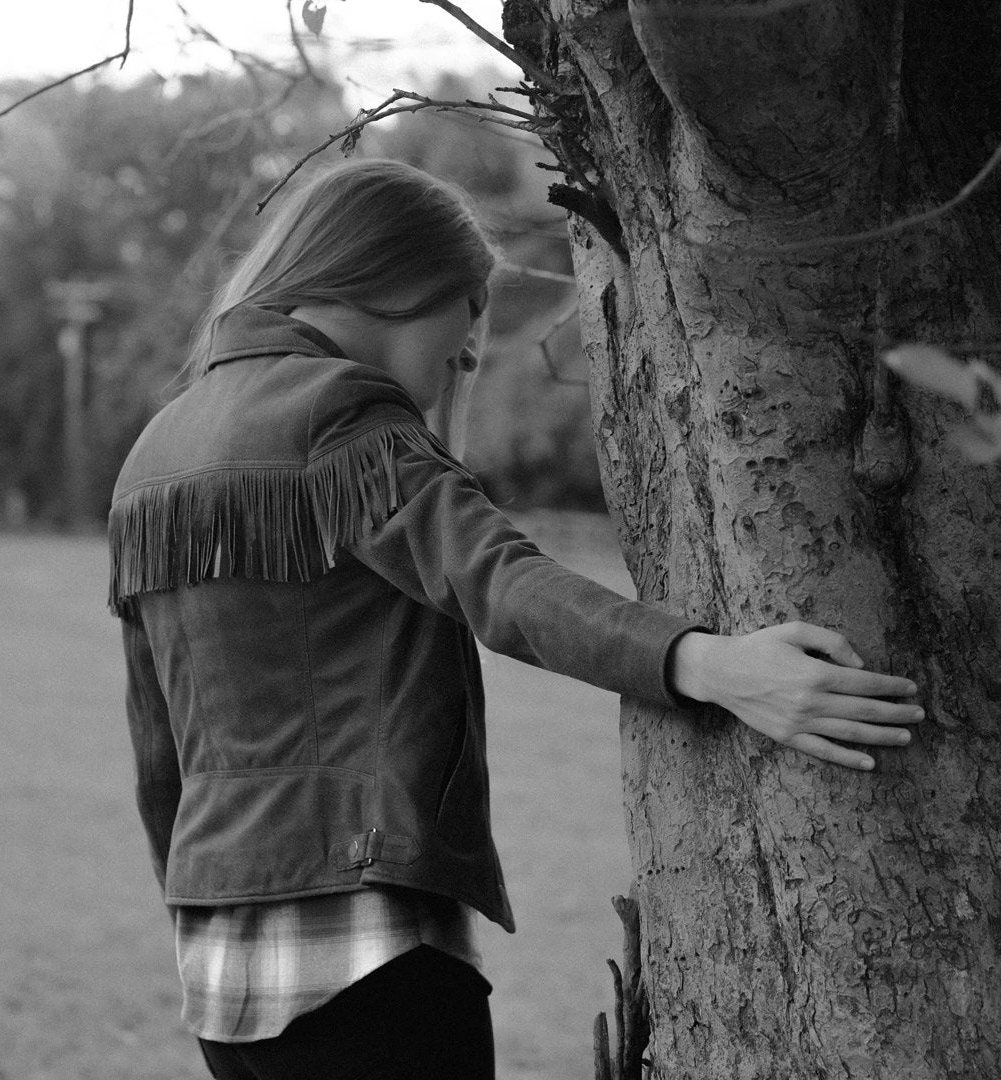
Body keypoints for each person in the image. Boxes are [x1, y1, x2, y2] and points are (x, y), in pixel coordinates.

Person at [107, 159, 922, 1080]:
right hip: (368, 954)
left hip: (222, 974)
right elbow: (498, 578)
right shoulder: (337, 411)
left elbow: (156, 742)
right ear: (397, 282)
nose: (465, 355)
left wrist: (197, 899)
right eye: (466, 310)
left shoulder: (155, 452)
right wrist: (709, 665)